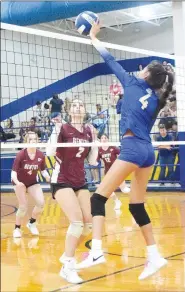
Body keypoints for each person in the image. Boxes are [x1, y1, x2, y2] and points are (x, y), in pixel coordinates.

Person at [76, 23, 174, 280]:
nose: (139, 70)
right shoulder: (156, 100)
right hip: (147, 152)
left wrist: (93, 36)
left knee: (97, 199)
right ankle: (154, 256)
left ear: (144, 75)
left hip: (131, 149)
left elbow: (108, 58)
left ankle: (96, 250)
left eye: (143, 69)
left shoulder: (130, 82)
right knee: (136, 206)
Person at [46, 99, 98, 284]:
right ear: (69, 110)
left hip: (80, 181)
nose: (78, 107)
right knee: (76, 223)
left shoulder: (88, 131)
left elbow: (92, 161)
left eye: (81, 105)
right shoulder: (64, 128)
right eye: (74, 104)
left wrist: (95, 139)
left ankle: (67, 254)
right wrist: (56, 130)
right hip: (61, 180)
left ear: (84, 111)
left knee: (88, 225)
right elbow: (50, 152)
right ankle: (67, 266)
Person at [11, 131, 50, 238]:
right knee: (23, 206)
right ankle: (17, 229)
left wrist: (47, 177)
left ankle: (31, 223)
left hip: (32, 182)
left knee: (41, 203)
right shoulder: (21, 155)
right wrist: (18, 183)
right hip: (19, 182)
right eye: (30, 139)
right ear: (26, 141)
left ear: (37, 141)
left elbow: (43, 170)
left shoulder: (41, 155)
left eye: (34, 139)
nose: (33, 141)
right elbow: (13, 172)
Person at [97, 134, 130, 210]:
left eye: (105, 138)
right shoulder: (100, 150)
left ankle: (137, 199)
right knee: (108, 190)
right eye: (102, 138)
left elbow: (122, 154)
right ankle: (117, 202)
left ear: (108, 139)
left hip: (117, 170)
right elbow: (96, 160)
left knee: (124, 190)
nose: (104, 139)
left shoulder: (113, 147)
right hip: (108, 172)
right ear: (100, 140)